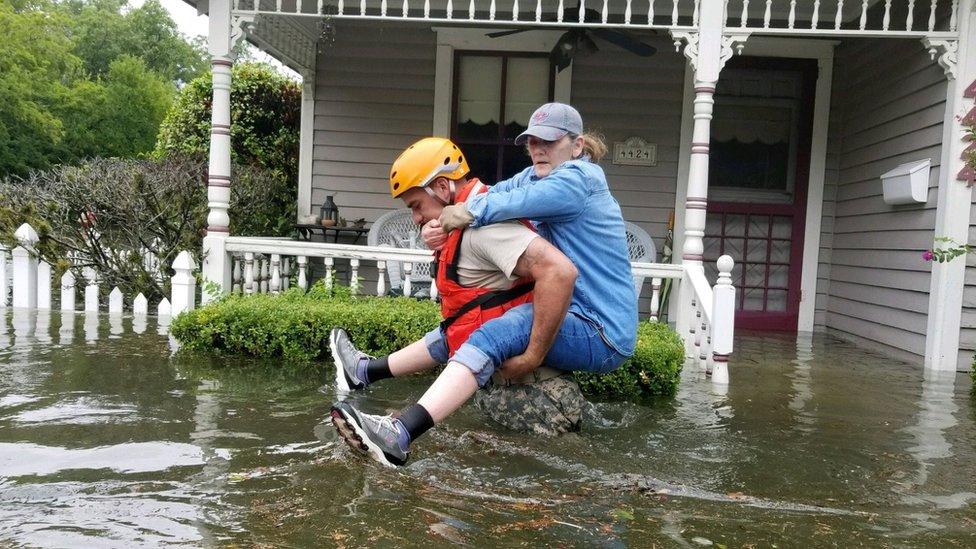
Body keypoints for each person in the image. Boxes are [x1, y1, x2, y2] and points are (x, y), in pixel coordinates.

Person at [330, 136, 579, 467]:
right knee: (462, 324)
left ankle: (396, 432)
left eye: (416, 205)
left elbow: (559, 272)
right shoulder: (465, 224)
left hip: (539, 402)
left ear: (444, 187)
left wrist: (533, 356)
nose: (416, 218)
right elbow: (466, 320)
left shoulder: (487, 230)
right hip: (511, 393)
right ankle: (364, 372)